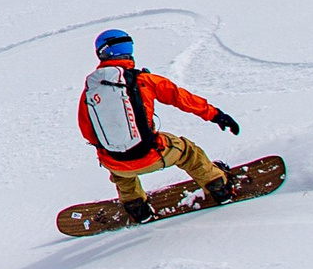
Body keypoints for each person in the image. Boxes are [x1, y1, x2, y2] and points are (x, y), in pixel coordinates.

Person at [78, 28, 240, 225]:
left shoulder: (90, 91)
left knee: (120, 173)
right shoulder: (142, 80)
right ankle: (217, 186)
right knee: (188, 151)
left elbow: (87, 131)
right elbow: (180, 98)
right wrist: (216, 115)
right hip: (152, 154)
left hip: (116, 162)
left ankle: (137, 207)